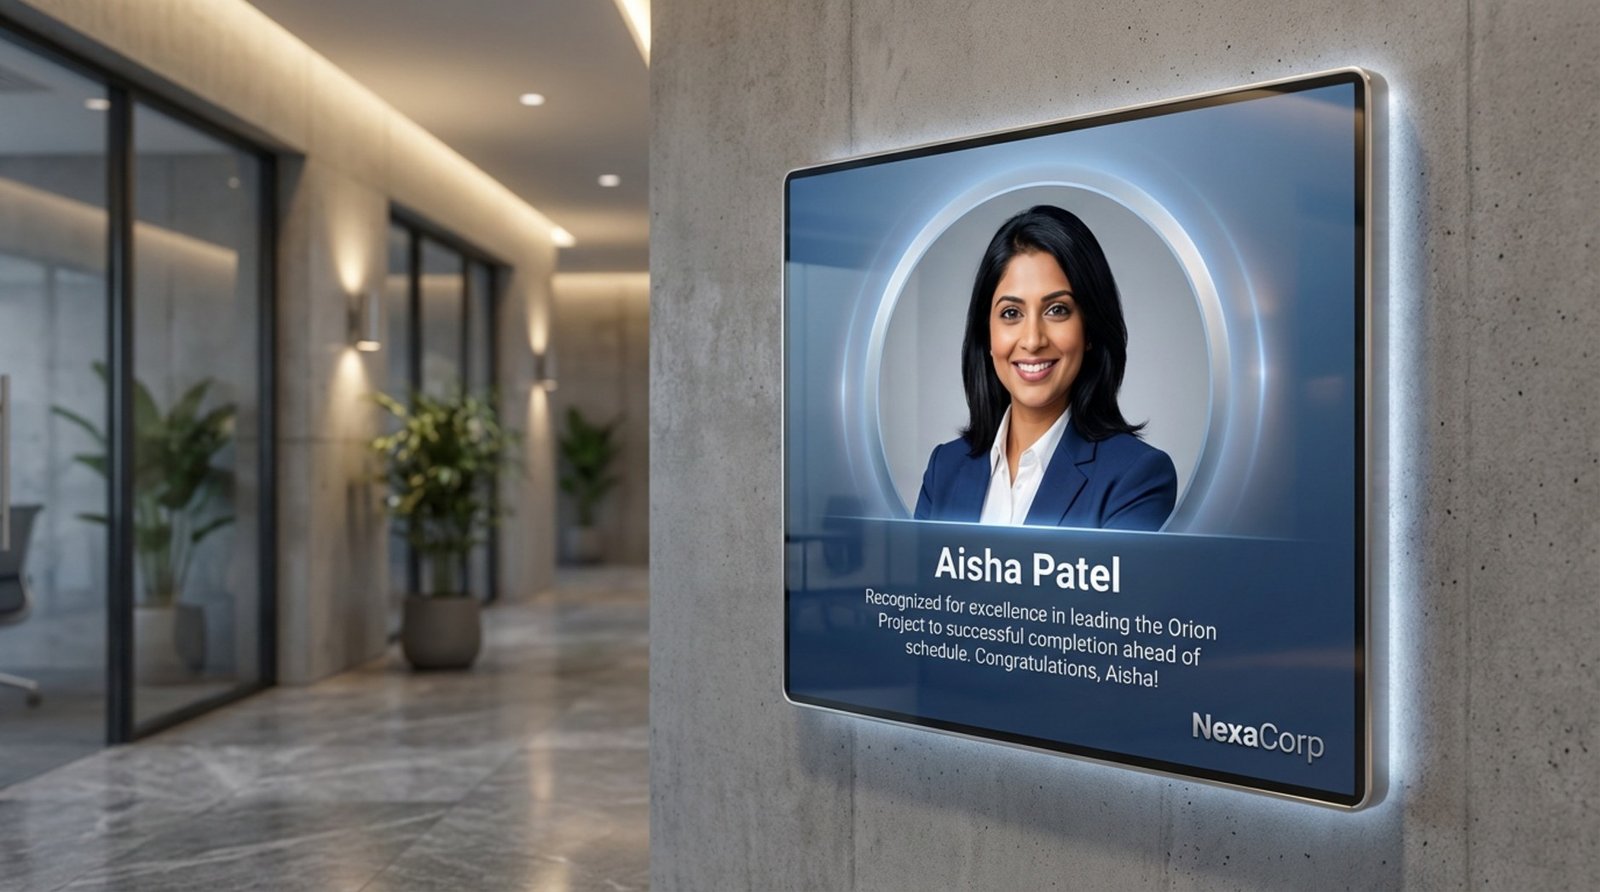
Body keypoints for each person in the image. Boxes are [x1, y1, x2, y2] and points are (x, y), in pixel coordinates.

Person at [913, 205, 1176, 531]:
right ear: (988, 334)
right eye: (1011, 313)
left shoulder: (1137, 477)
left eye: (1056, 310)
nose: (1033, 340)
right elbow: (916, 584)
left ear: (1089, 328)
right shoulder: (945, 469)